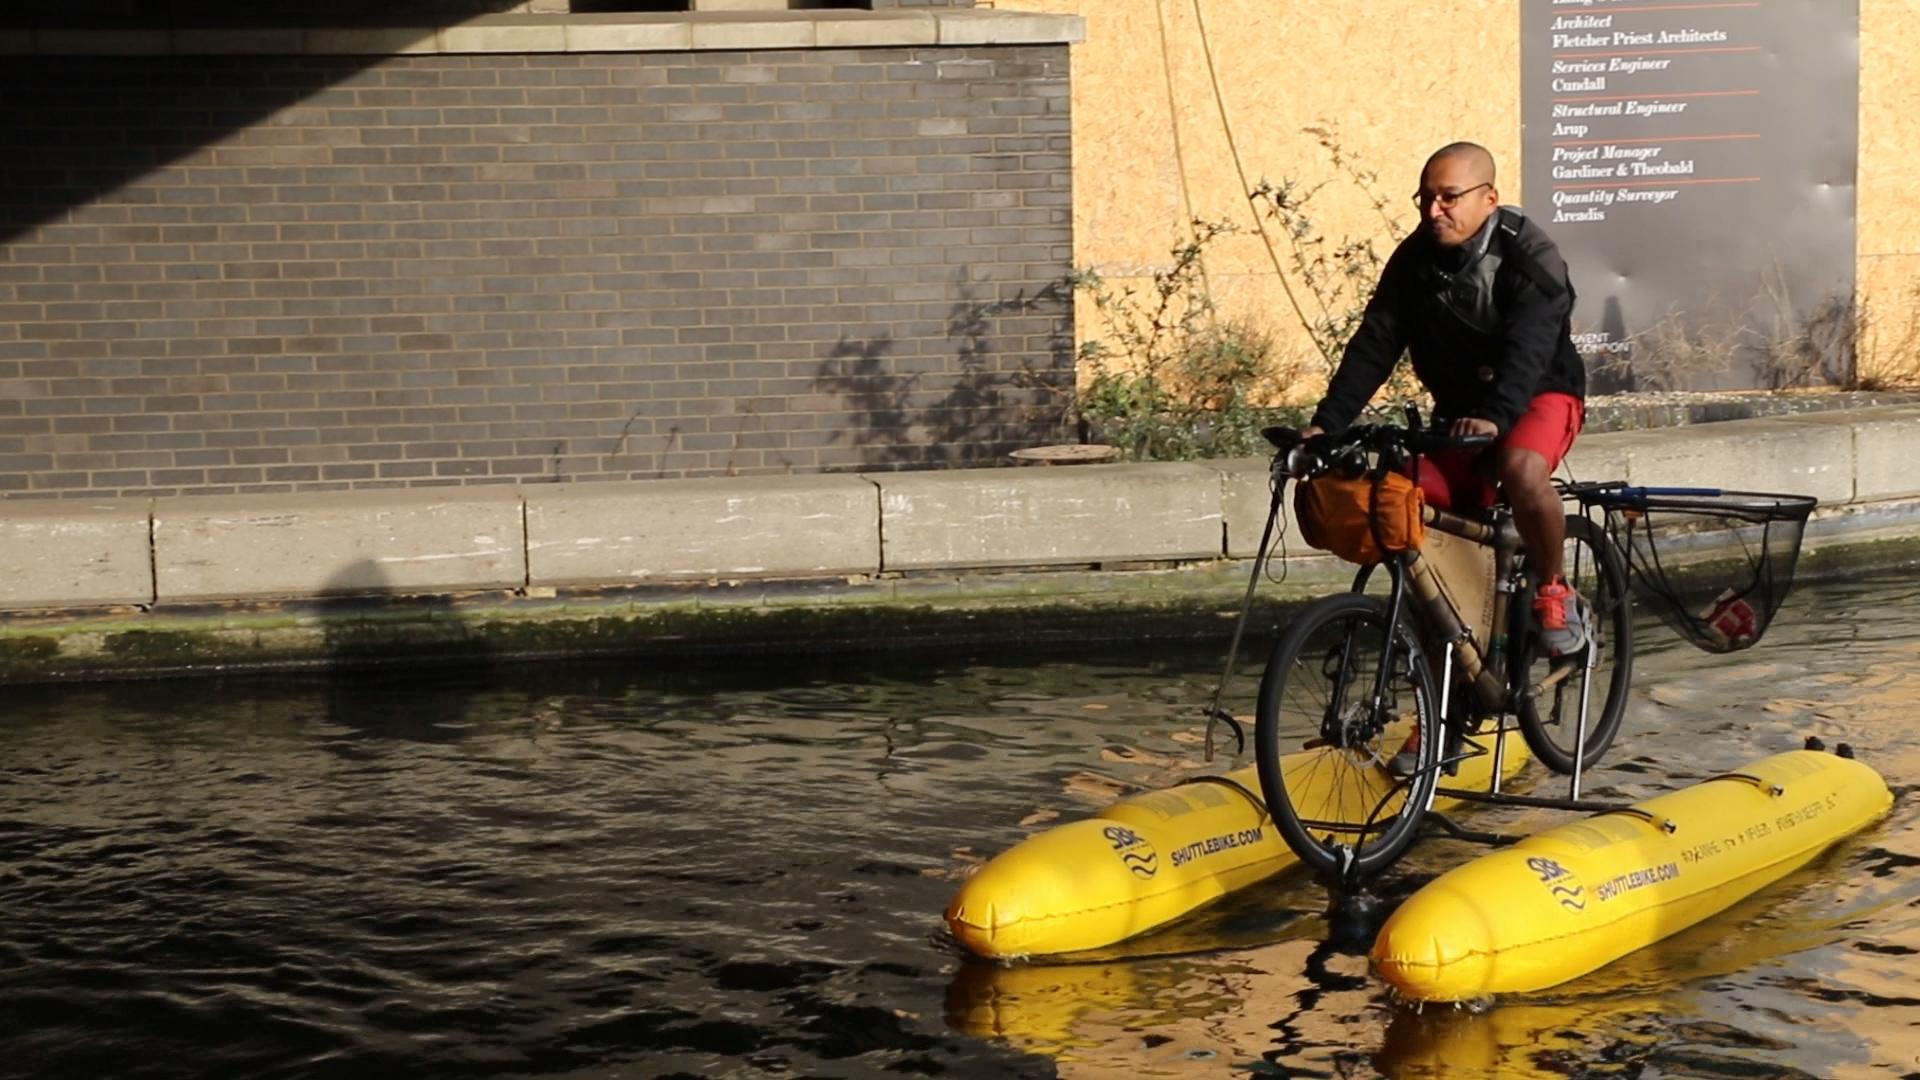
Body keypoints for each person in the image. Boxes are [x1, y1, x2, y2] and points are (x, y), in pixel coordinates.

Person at [1299, 141, 1589, 656]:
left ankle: (1552, 587)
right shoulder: (1414, 261)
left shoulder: (1530, 257)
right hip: (1463, 416)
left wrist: (1496, 419)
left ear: (1489, 198)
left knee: (1522, 470)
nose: (1434, 211)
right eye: (1426, 199)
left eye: (1449, 197)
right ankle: (1442, 706)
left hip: (1539, 394)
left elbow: (1529, 349)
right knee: (1398, 493)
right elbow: (1375, 343)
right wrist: (1328, 426)